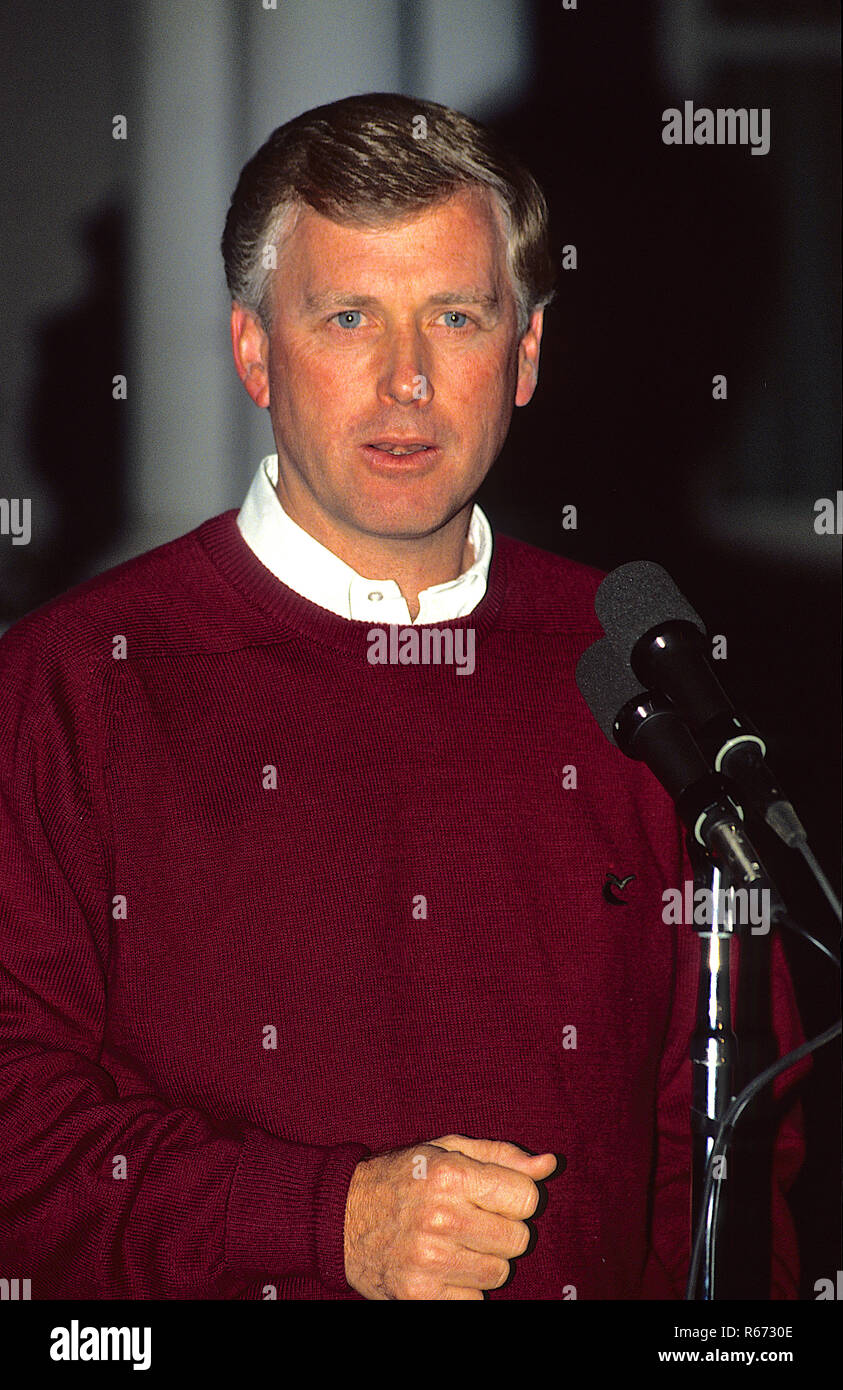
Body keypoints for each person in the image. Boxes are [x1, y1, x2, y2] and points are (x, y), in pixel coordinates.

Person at [0, 93, 806, 1301]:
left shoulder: (639, 670)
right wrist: (330, 1226)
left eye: (457, 316)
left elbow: (743, 1140)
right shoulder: (72, 685)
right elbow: (17, 1137)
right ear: (253, 349)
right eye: (346, 317)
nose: (408, 380)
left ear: (525, 353)